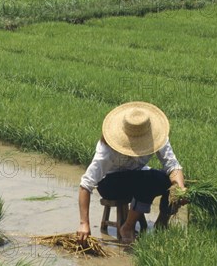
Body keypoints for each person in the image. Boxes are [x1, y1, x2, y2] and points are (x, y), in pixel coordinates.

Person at [77, 101, 186, 244]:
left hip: (139, 177)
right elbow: (86, 184)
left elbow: (172, 166)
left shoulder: (157, 137)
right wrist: (84, 223)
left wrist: (181, 189)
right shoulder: (108, 150)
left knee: (169, 182)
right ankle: (127, 227)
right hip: (111, 183)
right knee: (147, 180)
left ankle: (162, 223)